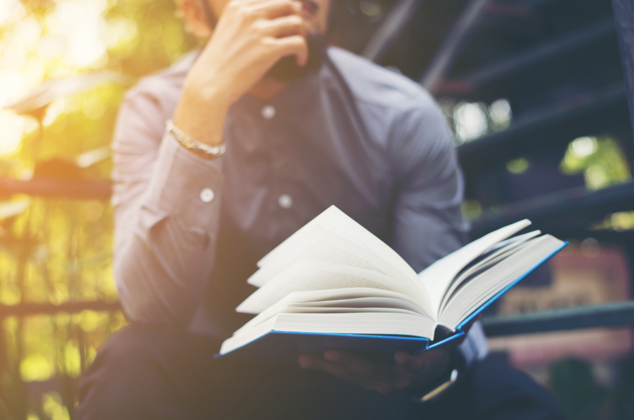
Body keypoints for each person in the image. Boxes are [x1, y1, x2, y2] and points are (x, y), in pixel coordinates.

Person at [77, 0, 565, 418]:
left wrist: (426, 359)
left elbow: (439, 313)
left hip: (363, 387)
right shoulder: (154, 109)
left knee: (515, 400)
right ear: (195, 13)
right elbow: (152, 309)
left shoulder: (402, 114)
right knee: (129, 360)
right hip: (218, 383)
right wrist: (203, 104)